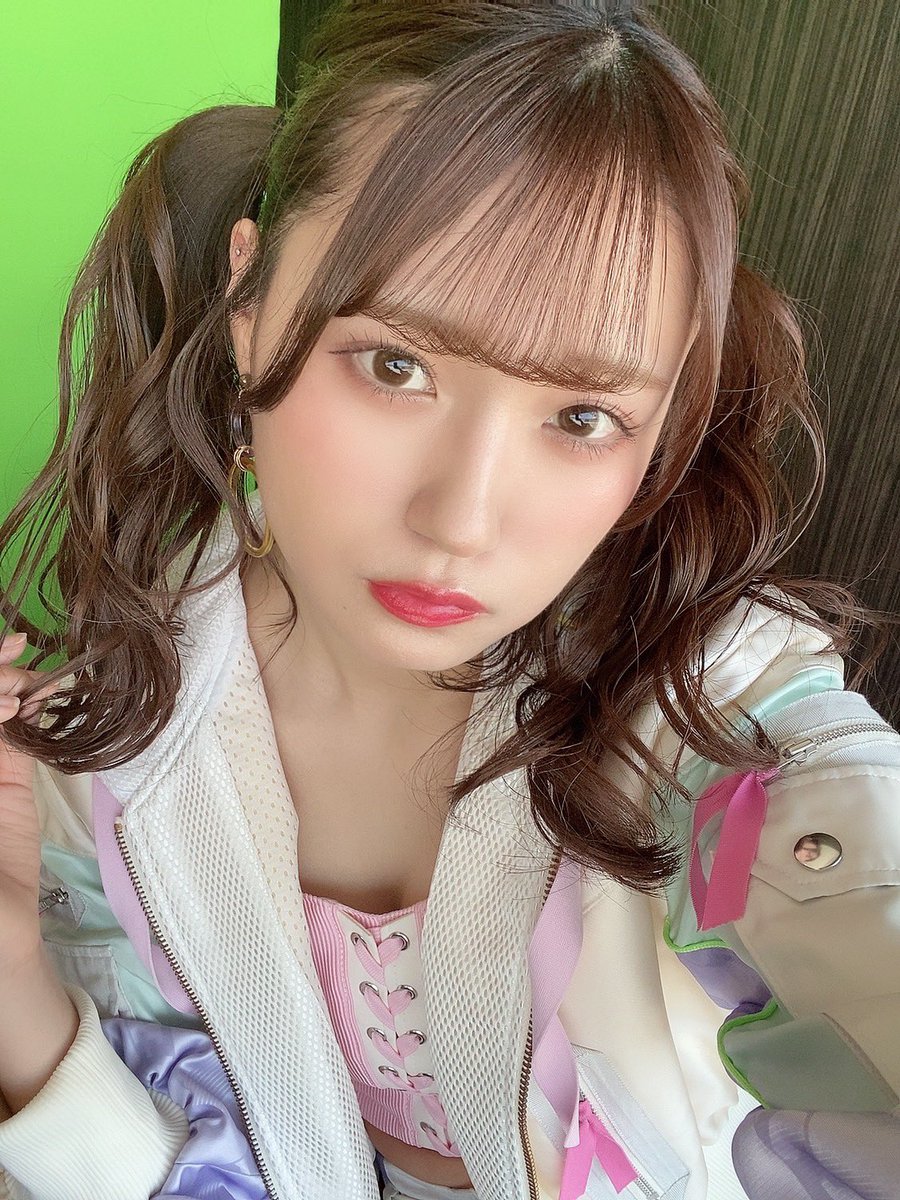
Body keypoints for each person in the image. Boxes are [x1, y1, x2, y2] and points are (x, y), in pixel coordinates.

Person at [0, 2, 897, 1198]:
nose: (462, 520)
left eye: (582, 417)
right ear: (248, 292)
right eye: (396, 365)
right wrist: (15, 989)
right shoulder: (102, 751)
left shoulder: (713, 708)